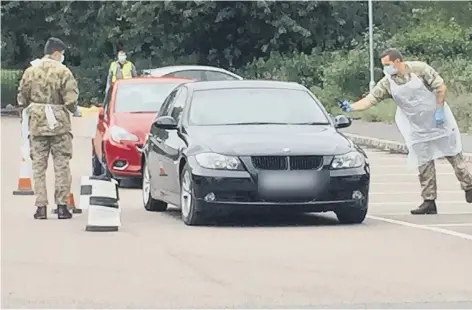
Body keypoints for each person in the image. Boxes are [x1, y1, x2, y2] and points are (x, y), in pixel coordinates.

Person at [338, 48, 472, 215]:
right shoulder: (387, 83)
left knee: (454, 156)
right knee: (424, 163)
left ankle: (469, 186)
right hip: (418, 127)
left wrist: (439, 110)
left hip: (439, 122)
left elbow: (440, 87)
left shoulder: (420, 70)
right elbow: (370, 100)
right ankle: (429, 201)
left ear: (397, 61)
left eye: (387, 64)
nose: (385, 69)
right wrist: (351, 107)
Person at [17, 37, 79, 220]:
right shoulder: (64, 71)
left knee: (38, 166)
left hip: (36, 123)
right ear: (57, 52)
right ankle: (62, 206)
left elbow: (22, 97)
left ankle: (41, 207)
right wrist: (74, 111)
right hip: (59, 124)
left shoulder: (31, 71)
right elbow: (71, 100)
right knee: (61, 165)